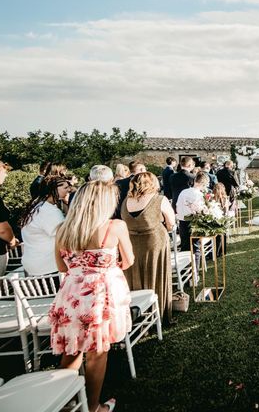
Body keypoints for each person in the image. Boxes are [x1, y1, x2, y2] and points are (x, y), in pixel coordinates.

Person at [49, 181, 134, 412]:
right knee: (96, 353)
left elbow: (62, 266)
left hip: (70, 294)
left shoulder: (62, 229)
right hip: (99, 295)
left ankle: (64, 403)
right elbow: (128, 261)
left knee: (71, 350)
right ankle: (94, 406)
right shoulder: (114, 227)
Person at [121, 172, 174, 322]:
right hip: (154, 242)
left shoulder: (125, 202)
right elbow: (171, 223)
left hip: (132, 244)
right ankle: (160, 313)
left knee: (135, 275)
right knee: (157, 273)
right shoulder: (159, 199)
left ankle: (138, 313)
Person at [19, 176, 70, 276]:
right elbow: (66, 236)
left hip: (34, 262)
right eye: (65, 188)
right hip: (48, 265)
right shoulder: (49, 211)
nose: (69, 190)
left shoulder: (37, 206)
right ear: (53, 190)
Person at [176, 172, 210, 269]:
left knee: (185, 248)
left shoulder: (183, 192)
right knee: (195, 248)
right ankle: (194, 275)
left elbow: (177, 207)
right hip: (194, 223)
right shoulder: (199, 195)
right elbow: (202, 211)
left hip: (182, 223)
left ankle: (184, 271)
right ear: (203, 183)